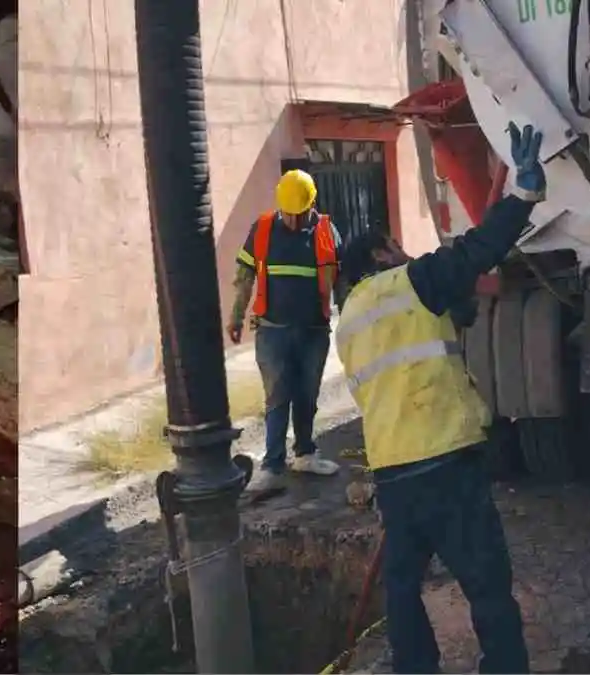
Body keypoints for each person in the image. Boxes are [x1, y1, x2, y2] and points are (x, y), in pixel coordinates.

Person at [333, 122, 544, 674]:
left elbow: (428, 334)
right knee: (486, 582)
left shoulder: (350, 320)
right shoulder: (407, 282)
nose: (406, 253)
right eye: (397, 247)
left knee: (403, 590)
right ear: (380, 254)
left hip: (394, 474)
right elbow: (477, 251)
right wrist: (523, 193)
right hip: (446, 461)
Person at [227, 168, 343, 493]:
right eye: (289, 214)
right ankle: (273, 466)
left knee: (307, 394)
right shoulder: (262, 229)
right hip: (273, 331)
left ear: (311, 205)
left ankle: (305, 453)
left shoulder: (325, 230)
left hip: (313, 331)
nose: (294, 220)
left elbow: (342, 279)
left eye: (300, 212)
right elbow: (244, 277)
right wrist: (236, 317)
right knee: (278, 398)